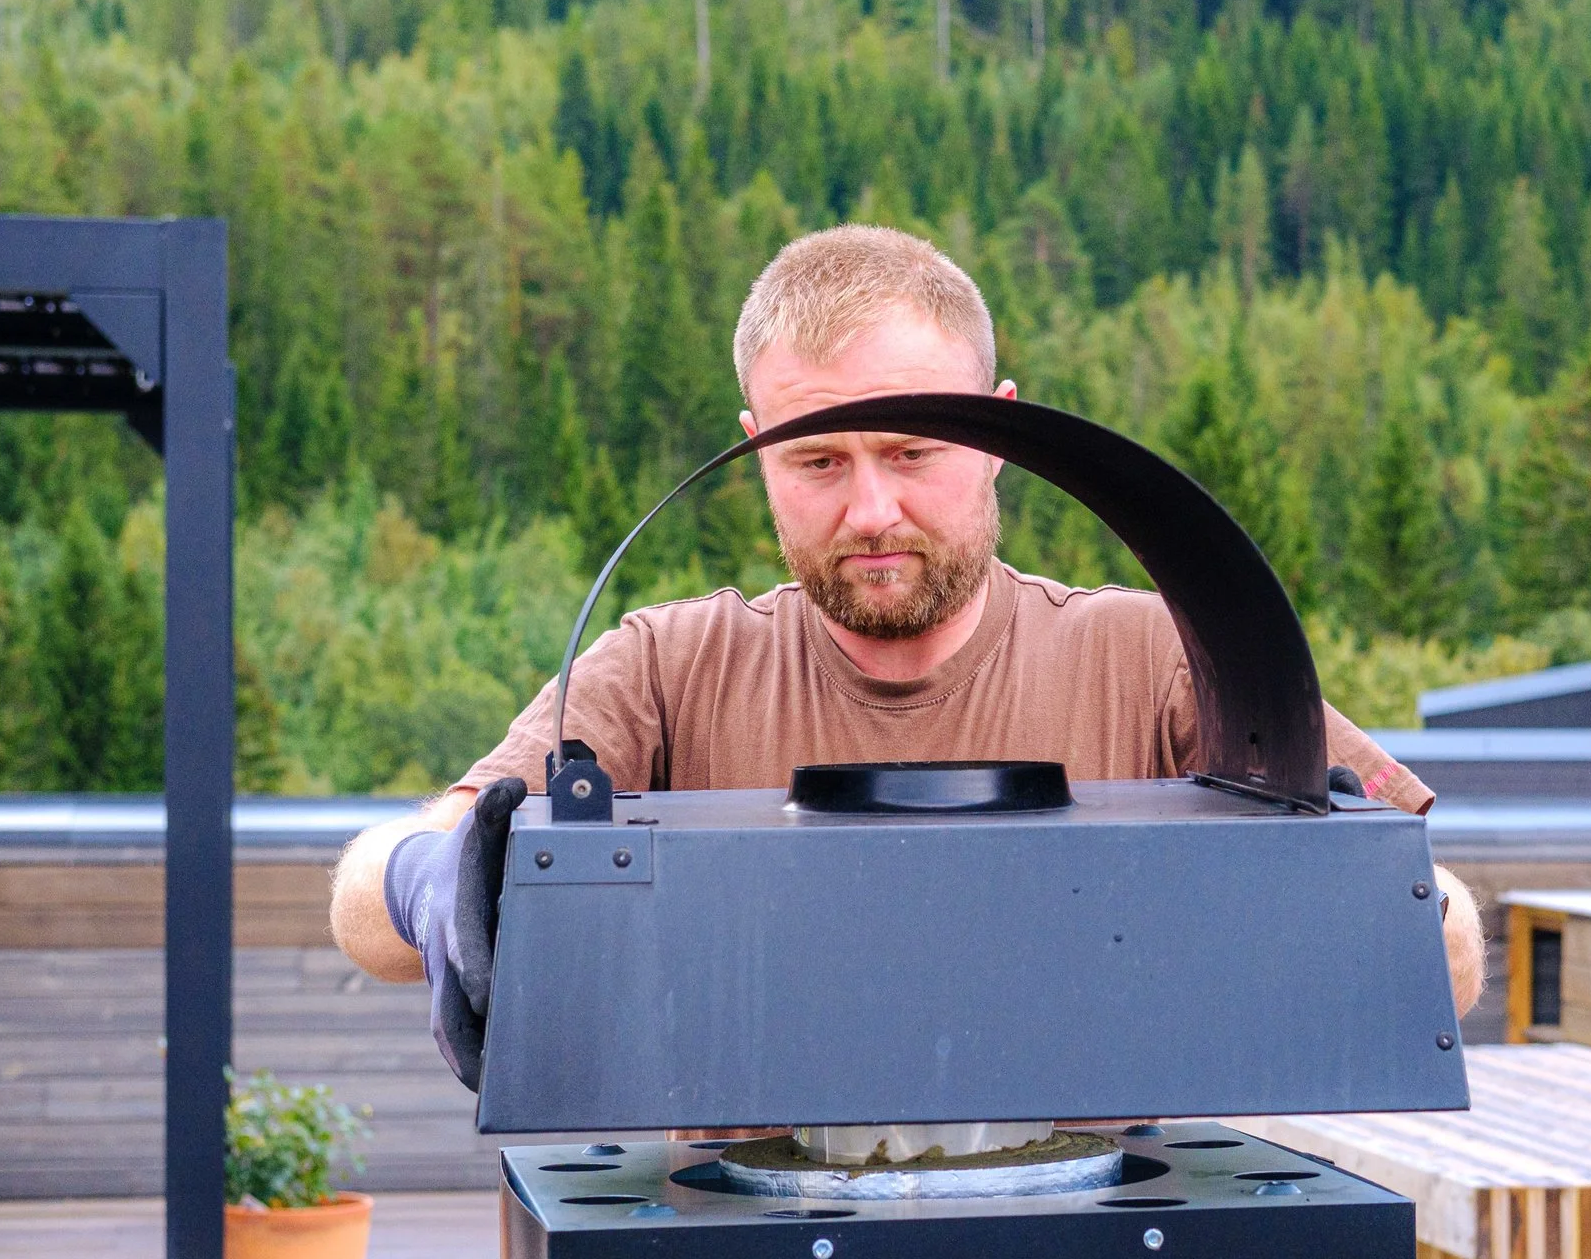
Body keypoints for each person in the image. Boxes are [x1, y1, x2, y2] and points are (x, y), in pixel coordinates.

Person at [332, 225, 1484, 1077]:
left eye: (913, 447)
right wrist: (431, 882)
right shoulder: (668, 668)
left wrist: (1363, 896)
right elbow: (364, 895)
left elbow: (1457, 943)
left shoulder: (1159, 660)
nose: (871, 507)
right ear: (756, 448)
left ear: (1000, 429)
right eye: (819, 462)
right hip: (744, 1247)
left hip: (1097, 1243)